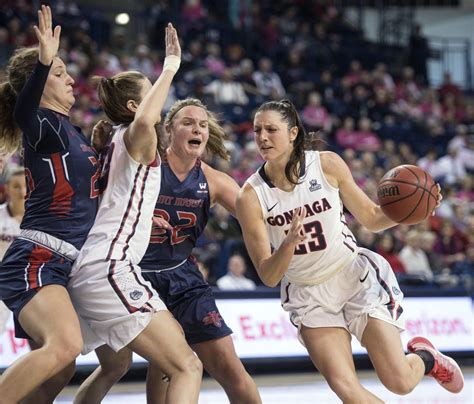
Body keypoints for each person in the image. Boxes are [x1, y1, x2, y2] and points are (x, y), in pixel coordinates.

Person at [236, 99, 464, 402]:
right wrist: (288, 244)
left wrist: (415, 212)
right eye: (257, 130)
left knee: (399, 382)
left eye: (271, 129)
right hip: (307, 294)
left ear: (292, 133)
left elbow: (370, 217)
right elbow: (267, 274)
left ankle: (426, 358)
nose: (262, 137)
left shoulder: (326, 164)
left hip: (353, 276)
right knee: (346, 389)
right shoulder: (250, 196)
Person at [77, 98, 261, 404]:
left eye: (202, 124)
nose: (197, 129)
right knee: (153, 365)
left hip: (183, 277)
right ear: (168, 129)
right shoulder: (144, 164)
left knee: (230, 368)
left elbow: (258, 221)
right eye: (187, 122)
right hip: (130, 273)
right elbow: (102, 198)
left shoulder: (214, 181)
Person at [68, 25, 202, 404]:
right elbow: (146, 120)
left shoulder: (112, 139)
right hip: (108, 268)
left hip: (90, 266)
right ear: (135, 106)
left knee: (115, 364)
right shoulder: (136, 133)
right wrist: (171, 66)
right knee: (186, 366)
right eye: (151, 95)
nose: (159, 102)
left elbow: (118, 198)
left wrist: (146, 219)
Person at [0, 6, 101, 403]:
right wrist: (43, 62)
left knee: (62, 366)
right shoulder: (43, 125)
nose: (71, 78)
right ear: (38, 86)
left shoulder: (72, 132)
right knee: (64, 347)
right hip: (37, 258)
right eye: (61, 73)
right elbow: (26, 110)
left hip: (65, 264)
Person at [0, 168, 26, 336]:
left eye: (26, 186)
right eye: (16, 186)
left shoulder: (39, 219)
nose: (22, 192)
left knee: (38, 338)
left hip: (27, 284)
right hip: (3, 281)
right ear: (7, 189)